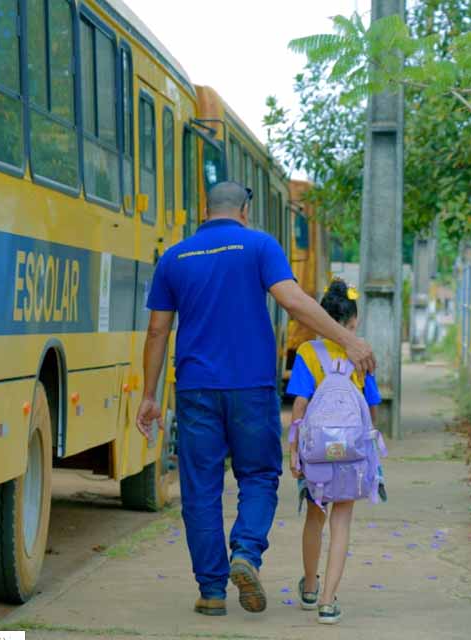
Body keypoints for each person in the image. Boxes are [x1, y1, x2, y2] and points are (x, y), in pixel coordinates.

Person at [135, 181, 376, 617]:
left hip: (195, 389)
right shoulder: (259, 246)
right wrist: (348, 340)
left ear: (205, 209)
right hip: (250, 387)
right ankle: (245, 552)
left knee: (200, 486)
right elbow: (292, 301)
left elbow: (157, 331)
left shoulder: (175, 257)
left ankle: (211, 590)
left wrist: (149, 396)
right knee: (259, 476)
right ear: (245, 210)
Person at [287, 279, 382, 625]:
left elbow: (299, 405)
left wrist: (294, 451)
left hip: (317, 454)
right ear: (349, 325)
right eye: (354, 327)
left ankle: (309, 587)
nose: (354, 334)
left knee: (315, 516)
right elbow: (371, 407)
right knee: (341, 521)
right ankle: (328, 601)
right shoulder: (360, 355)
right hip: (350, 454)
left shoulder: (308, 353)